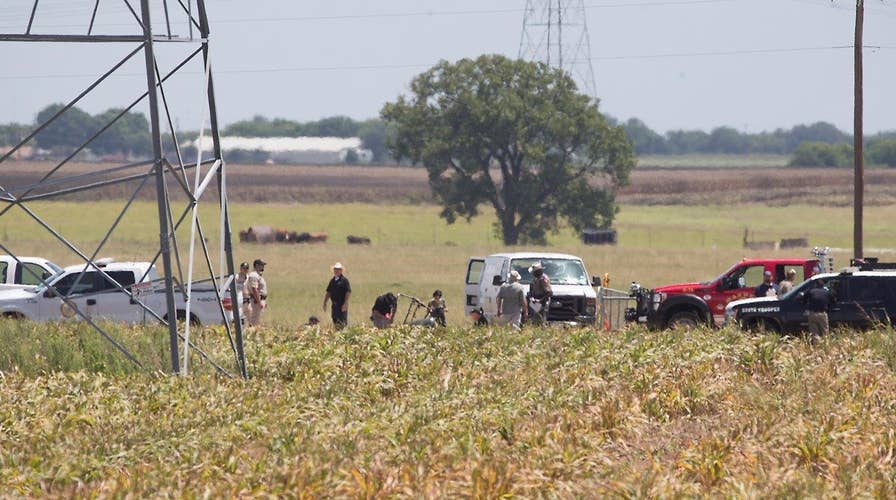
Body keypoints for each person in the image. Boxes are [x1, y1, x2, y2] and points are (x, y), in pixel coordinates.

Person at [323, 262, 351, 329]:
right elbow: (328, 292)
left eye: (338, 269)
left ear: (341, 270)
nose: (337, 271)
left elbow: (348, 292)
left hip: (342, 305)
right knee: (335, 320)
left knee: (342, 321)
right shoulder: (332, 281)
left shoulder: (344, 280)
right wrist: (325, 302)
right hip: (334, 305)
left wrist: (345, 303)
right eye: (335, 269)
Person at [246, 258, 267, 327]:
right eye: (262, 265)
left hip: (259, 300)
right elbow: (254, 289)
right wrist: (259, 302)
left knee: (258, 320)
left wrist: (263, 301)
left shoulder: (258, 275)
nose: (263, 267)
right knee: (254, 321)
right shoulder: (254, 275)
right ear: (257, 265)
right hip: (256, 301)